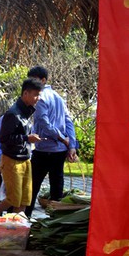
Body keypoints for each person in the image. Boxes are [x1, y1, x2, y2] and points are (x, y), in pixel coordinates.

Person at [25, 66, 79, 216]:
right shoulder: (58, 97)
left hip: (45, 150)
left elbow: (44, 123)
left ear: (43, 80)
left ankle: (25, 218)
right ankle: (55, 221)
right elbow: (69, 122)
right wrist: (71, 145)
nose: (31, 84)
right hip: (59, 150)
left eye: (34, 80)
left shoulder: (41, 97)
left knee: (32, 186)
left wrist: (64, 140)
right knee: (57, 188)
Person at [0, 79, 43, 216]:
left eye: (39, 95)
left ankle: (15, 230)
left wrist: (28, 138)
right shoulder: (13, 113)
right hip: (11, 160)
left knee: (25, 199)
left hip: (25, 159)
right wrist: (27, 138)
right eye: (35, 95)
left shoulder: (27, 112)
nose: (38, 98)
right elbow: (4, 139)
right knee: (13, 198)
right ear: (25, 93)